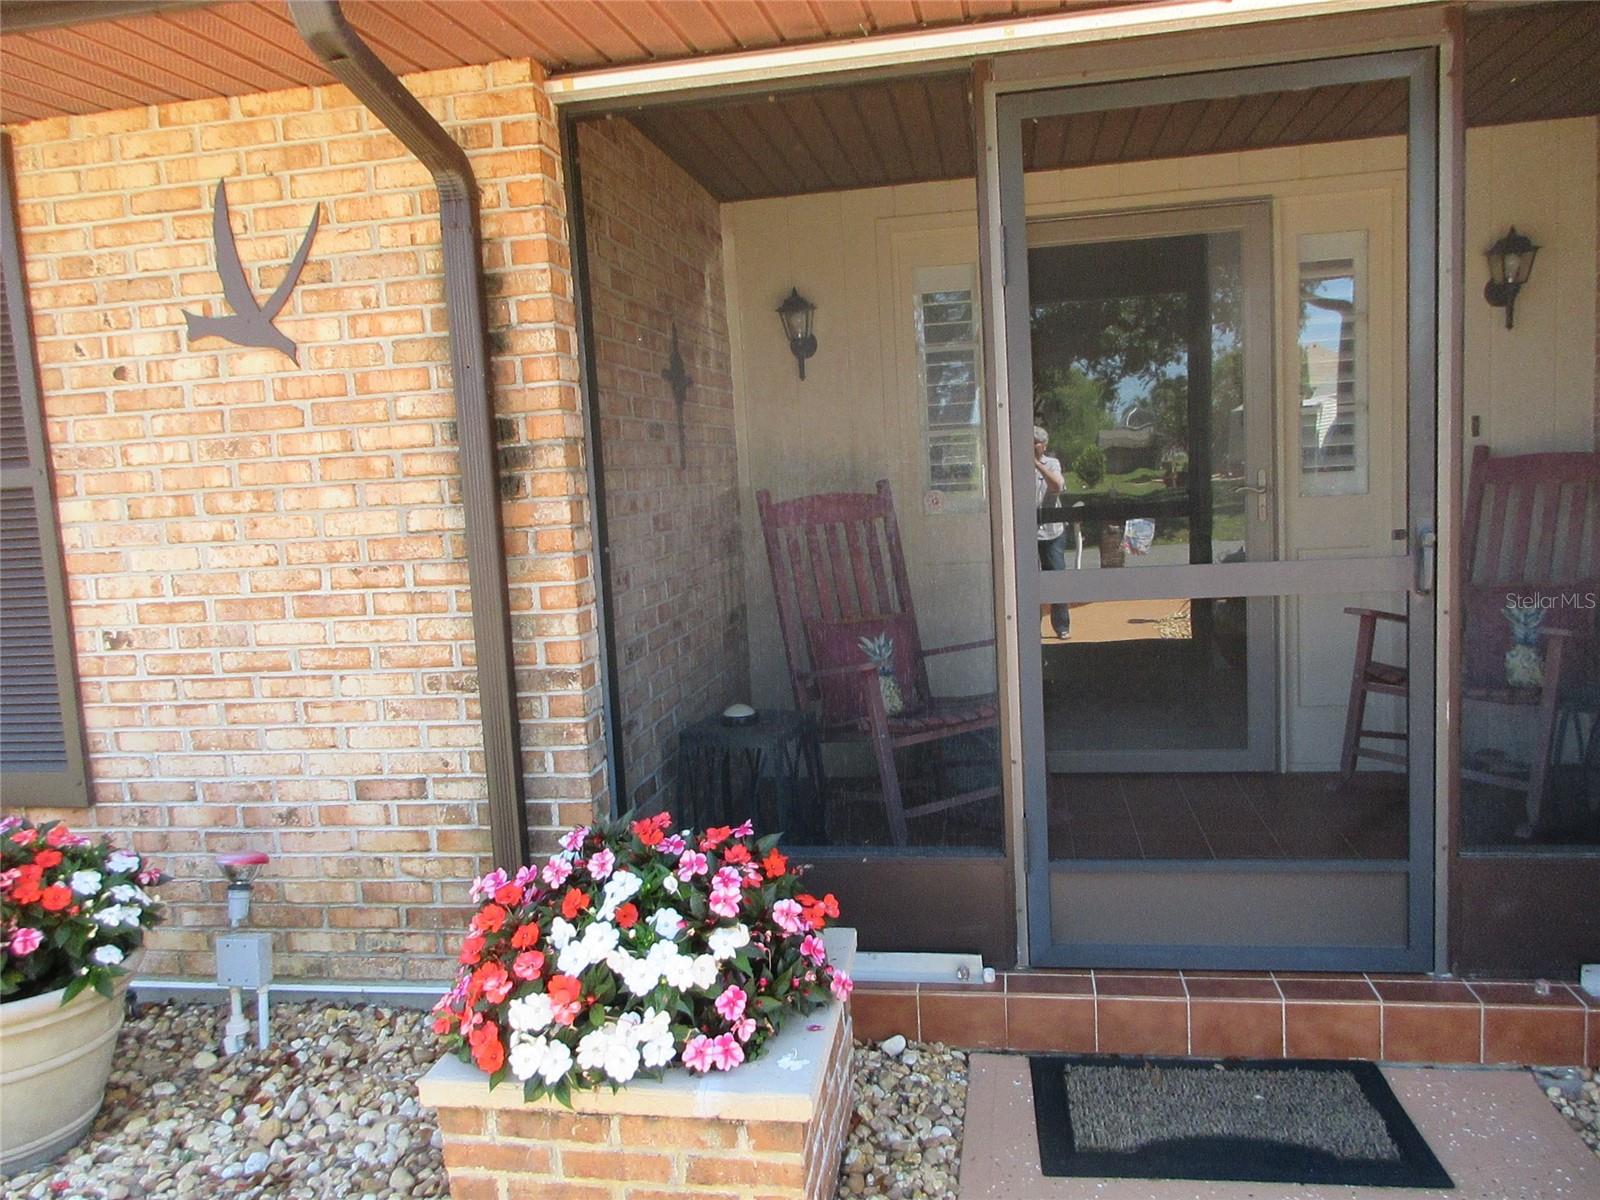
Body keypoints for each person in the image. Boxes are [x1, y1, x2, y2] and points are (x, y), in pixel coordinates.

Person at [1034, 425, 1071, 639]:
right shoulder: (1016, 465)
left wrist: (1037, 465)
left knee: (1057, 576)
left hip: (1052, 532)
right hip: (1027, 533)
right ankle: (1032, 628)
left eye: (1036, 443)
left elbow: (1057, 486)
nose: (1031, 446)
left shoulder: (1052, 463)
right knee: (1030, 581)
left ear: (1044, 446)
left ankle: (1062, 625)